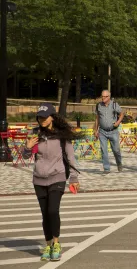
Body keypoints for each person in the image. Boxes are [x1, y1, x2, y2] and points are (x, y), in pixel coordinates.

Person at [23, 103, 82, 261]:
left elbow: (70, 157)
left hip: (58, 176)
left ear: (52, 117)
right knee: (45, 214)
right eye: (39, 117)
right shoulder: (35, 133)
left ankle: (56, 243)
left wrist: (74, 178)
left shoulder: (62, 135)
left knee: (52, 211)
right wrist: (27, 147)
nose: (41, 119)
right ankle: (48, 245)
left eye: (45, 116)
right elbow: (25, 155)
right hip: (39, 179)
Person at [94, 90, 124, 173]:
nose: (103, 98)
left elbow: (122, 114)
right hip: (102, 131)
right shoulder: (99, 105)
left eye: (105, 96)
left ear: (109, 97)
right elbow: (97, 119)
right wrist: (95, 130)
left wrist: (117, 122)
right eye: (102, 96)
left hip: (113, 131)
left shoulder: (114, 104)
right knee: (104, 150)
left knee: (116, 150)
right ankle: (106, 168)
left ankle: (119, 163)